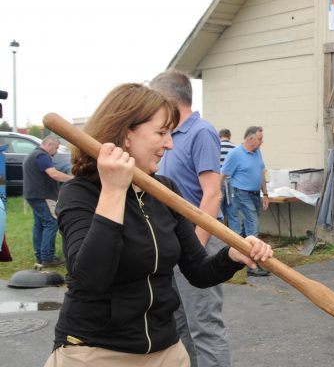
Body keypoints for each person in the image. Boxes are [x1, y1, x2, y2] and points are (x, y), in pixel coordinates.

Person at [44, 83, 272, 367]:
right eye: (162, 133)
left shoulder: (164, 190)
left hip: (166, 351)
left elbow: (198, 271)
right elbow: (90, 280)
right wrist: (114, 192)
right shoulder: (80, 193)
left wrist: (232, 255)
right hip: (96, 352)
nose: (170, 144)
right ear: (127, 134)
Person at [150, 70, 229, 367]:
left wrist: (194, 250)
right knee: (178, 326)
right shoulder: (167, 136)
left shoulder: (201, 131)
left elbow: (212, 194)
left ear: (167, 99)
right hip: (173, 241)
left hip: (198, 241)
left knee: (205, 328)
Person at [221, 126, 271, 277]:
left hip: (255, 194)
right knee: (253, 226)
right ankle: (253, 267)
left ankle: (235, 257)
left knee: (244, 231)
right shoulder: (235, 154)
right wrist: (217, 194)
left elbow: (262, 173)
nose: (262, 141)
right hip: (240, 194)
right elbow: (223, 175)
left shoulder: (257, 152)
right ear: (250, 139)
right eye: (260, 138)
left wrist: (265, 193)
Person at [22, 135, 72, 268]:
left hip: (32, 195)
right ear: (49, 145)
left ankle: (40, 256)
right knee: (51, 223)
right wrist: (73, 180)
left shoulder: (32, 154)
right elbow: (54, 174)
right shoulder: (42, 156)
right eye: (55, 148)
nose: (55, 152)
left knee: (39, 225)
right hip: (43, 195)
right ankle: (47, 258)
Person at [218, 129, 236, 229]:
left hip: (218, 181)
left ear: (219, 136)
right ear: (229, 136)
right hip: (232, 181)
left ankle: (220, 238)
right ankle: (236, 237)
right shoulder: (235, 148)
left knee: (218, 211)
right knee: (233, 211)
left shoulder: (215, 147)